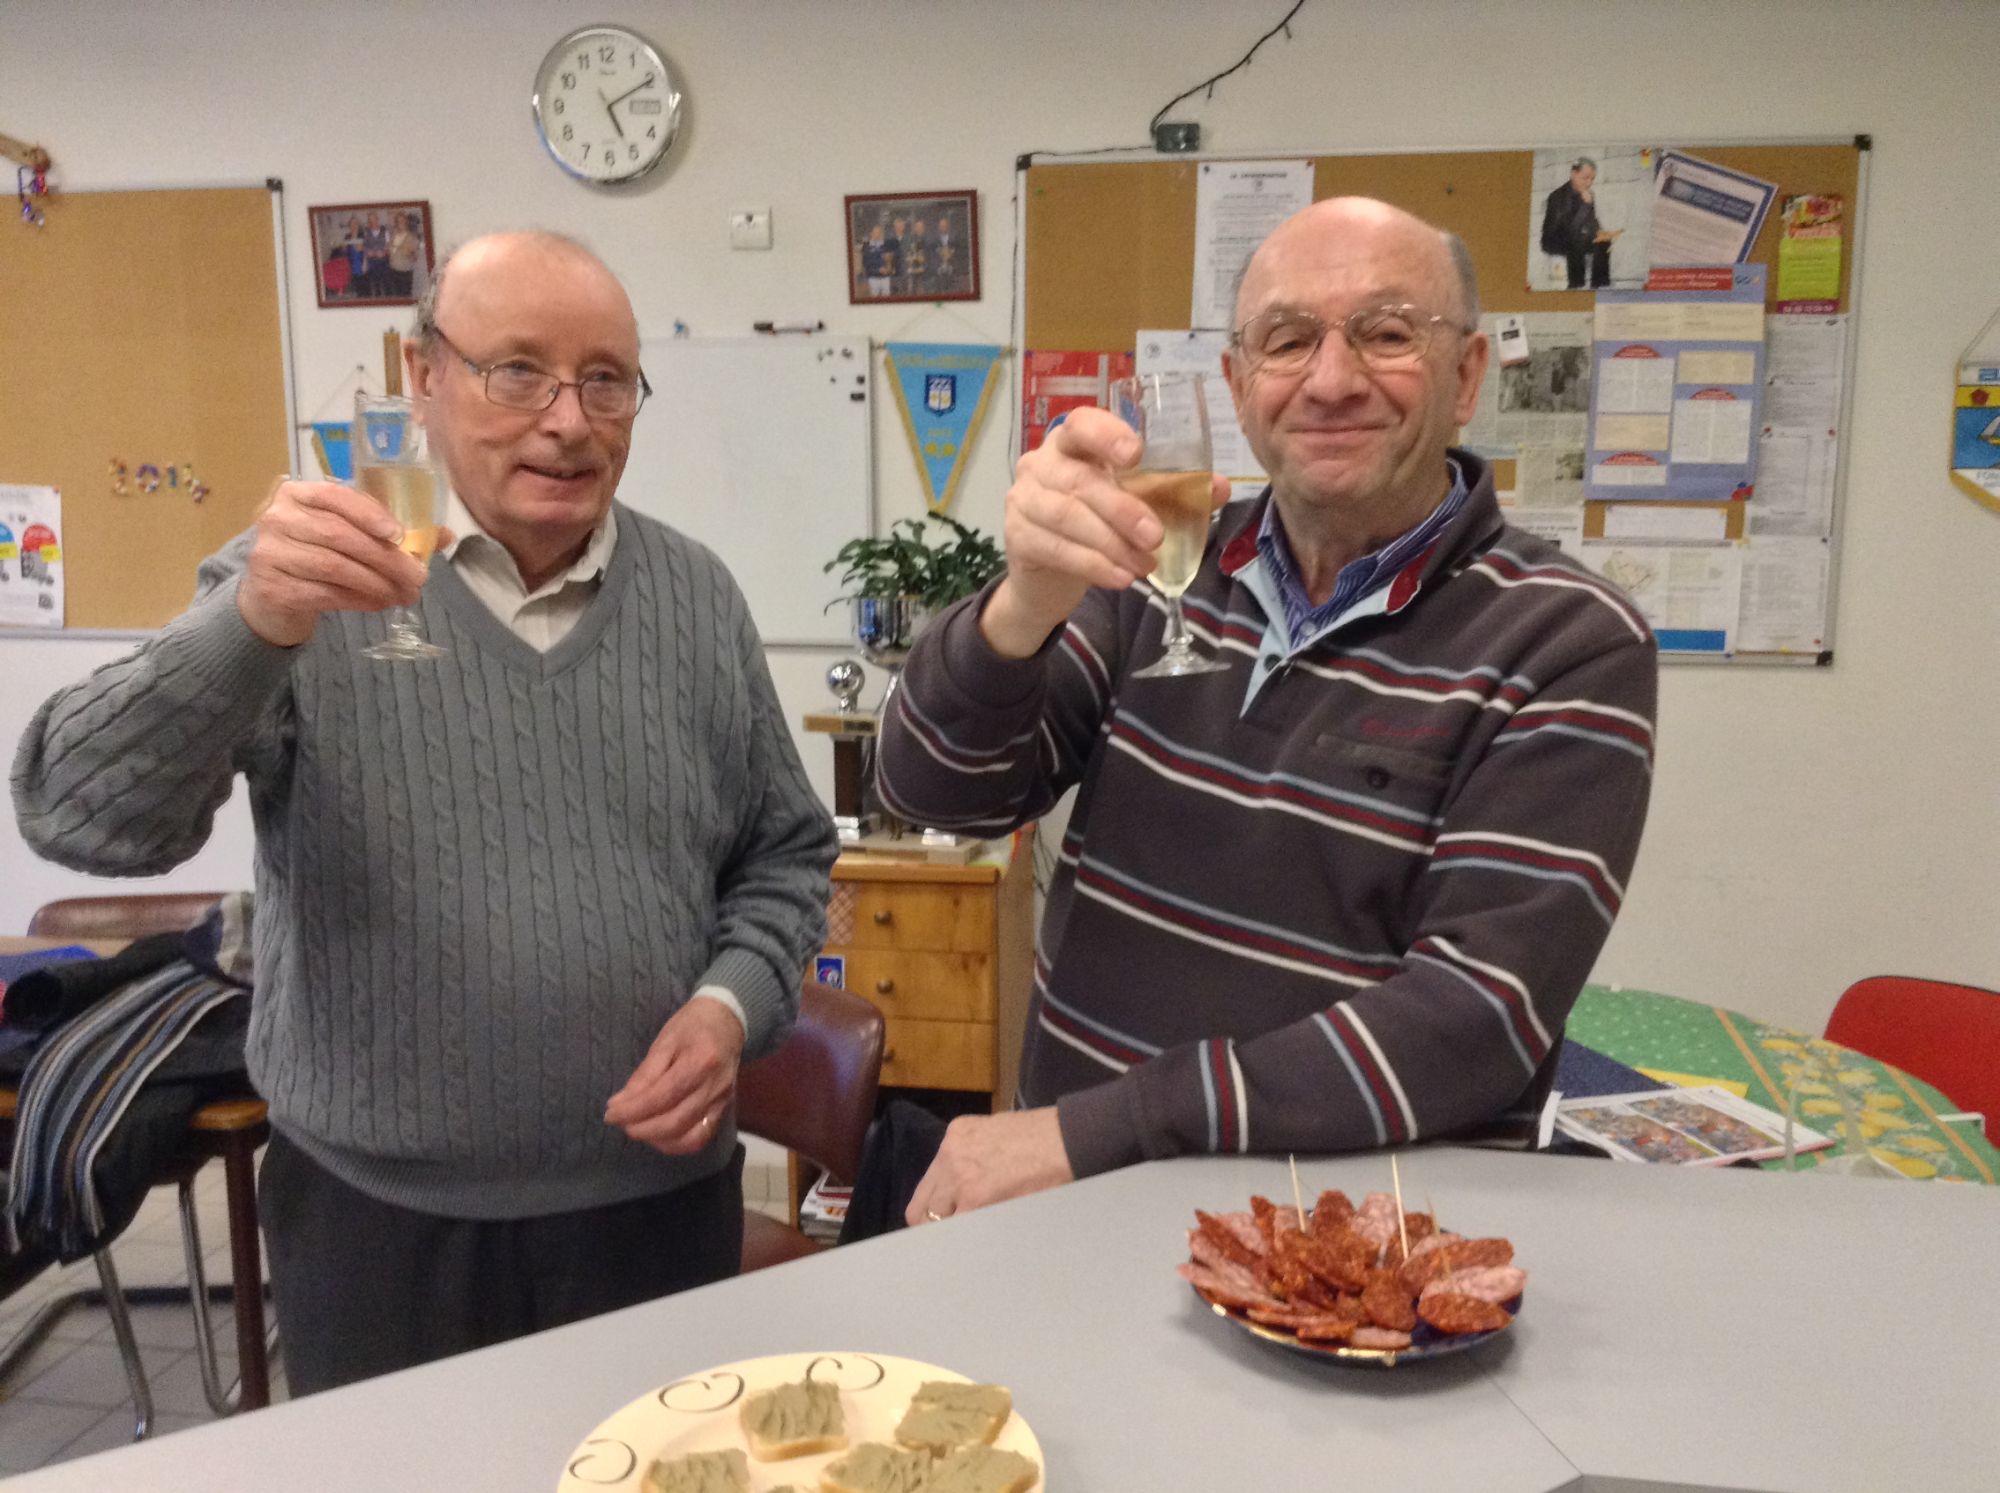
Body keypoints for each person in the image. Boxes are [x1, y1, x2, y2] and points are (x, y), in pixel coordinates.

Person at [12, 230, 838, 1392]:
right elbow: (76, 811)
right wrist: (246, 628)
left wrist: (728, 1003)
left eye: (605, 379)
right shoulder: (305, 580)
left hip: (655, 1212)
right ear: (424, 373)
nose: (568, 420)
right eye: (518, 371)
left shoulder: (695, 594)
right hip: (380, 1228)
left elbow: (785, 852)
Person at [875, 197, 1657, 1225]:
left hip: (1339, 1259)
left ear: (1467, 376)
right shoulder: (1152, 565)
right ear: (1239, 387)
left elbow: (1471, 1023)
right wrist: (1021, 607)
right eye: (1287, 340)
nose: (1331, 380)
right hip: (1072, 1213)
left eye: (1386, 333)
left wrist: (1103, 1126)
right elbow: (932, 794)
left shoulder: (1568, 640)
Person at [1539, 157, 1622, 290]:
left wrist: (1600, 232)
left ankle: (1600, 285)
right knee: (1576, 240)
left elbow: (1591, 221)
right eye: (1585, 178)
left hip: (1575, 236)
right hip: (1554, 239)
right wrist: (1585, 205)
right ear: (1573, 174)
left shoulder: (1588, 194)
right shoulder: (1557, 196)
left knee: (1603, 242)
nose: (1589, 183)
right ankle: (1577, 285)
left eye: (1592, 179)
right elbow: (1568, 228)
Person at [386, 212, 421, 299]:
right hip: (393, 271)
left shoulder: (412, 237)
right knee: (395, 298)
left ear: (406, 222)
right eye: (398, 221)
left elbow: (415, 257)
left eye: (402, 221)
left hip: (405, 272)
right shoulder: (393, 235)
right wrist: (389, 248)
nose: (400, 223)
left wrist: (410, 253)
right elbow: (388, 251)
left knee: (406, 297)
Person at [859, 221, 895, 298]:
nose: (878, 234)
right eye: (876, 232)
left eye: (879, 232)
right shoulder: (866, 246)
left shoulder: (886, 245)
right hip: (873, 278)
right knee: (875, 299)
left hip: (885, 278)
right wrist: (878, 270)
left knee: (887, 298)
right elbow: (866, 263)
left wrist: (889, 267)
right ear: (871, 233)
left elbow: (890, 260)